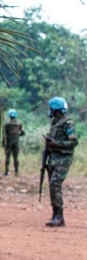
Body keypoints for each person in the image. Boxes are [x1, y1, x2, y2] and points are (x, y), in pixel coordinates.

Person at [44, 97, 78, 227]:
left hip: (63, 159)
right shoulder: (55, 123)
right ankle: (57, 216)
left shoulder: (67, 123)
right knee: (53, 187)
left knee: (55, 184)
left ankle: (58, 216)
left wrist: (56, 144)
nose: (50, 111)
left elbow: (74, 142)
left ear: (56, 109)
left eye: (51, 108)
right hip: (53, 158)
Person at [2, 109, 25, 176]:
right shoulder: (19, 124)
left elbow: (4, 135)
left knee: (7, 157)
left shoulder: (7, 124)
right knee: (16, 157)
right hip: (16, 142)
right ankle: (16, 172)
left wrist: (3, 143)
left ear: (9, 116)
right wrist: (17, 136)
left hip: (9, 142)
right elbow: (23, 133)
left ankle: (6, 171)